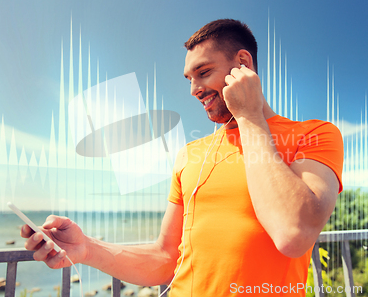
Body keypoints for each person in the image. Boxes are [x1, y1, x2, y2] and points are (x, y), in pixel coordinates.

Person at [21, 19, 344, 296]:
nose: (193, 90)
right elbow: (165, 258)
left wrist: (249, 117)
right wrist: (87, 249)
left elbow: (293, 234)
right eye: (189, 79)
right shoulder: (191, 155)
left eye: (203, 72)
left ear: (243, 65)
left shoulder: (315, 134)